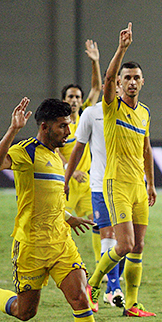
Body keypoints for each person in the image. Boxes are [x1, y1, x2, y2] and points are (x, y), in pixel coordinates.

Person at [0, 97, 114, 322]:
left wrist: (69, 217)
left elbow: (51, 198)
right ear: (44, 127)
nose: (68, 133)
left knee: (80, 297)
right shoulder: (26, 151)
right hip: (30, 245)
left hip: (60, 241)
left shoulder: (57, 157)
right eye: (62, 127)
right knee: (24, 312)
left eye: (69, 126)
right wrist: (12, 130)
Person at [87, 23, 157, 317]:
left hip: (139, 186)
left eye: (135, 78)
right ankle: (92, 284)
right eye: (126, 78)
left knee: (138, 245)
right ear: (119, 83)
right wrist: (122, 49)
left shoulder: (144, 113)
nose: (130, 82)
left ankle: (132, 303)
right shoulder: (111, 107)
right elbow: (107, 77)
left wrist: (151, 184)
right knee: (125, 243)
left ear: (143, 82)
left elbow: (147, 148)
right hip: (116, 184)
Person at [64, 87, 126, 310]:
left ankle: (103, 284)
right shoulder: (90, 114)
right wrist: (66, 175)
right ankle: (114, 287)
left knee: (127, 243)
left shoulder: (135, 113)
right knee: (105, 234)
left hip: (126, 187)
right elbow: (76, 149)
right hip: (98, 185)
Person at [59, 39, 103, 277]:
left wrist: (95, 62)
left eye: (77, 97)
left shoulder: (86, 114)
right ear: (63, 99)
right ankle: (65, 265)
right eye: (70, 97)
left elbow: (96, 88)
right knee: (61, 225)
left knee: (97, 223)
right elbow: (54, 150)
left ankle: (101, 267)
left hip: (85, 183)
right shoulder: (58, 122)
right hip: (65, 182)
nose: (74, 100)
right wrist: (69, 168)